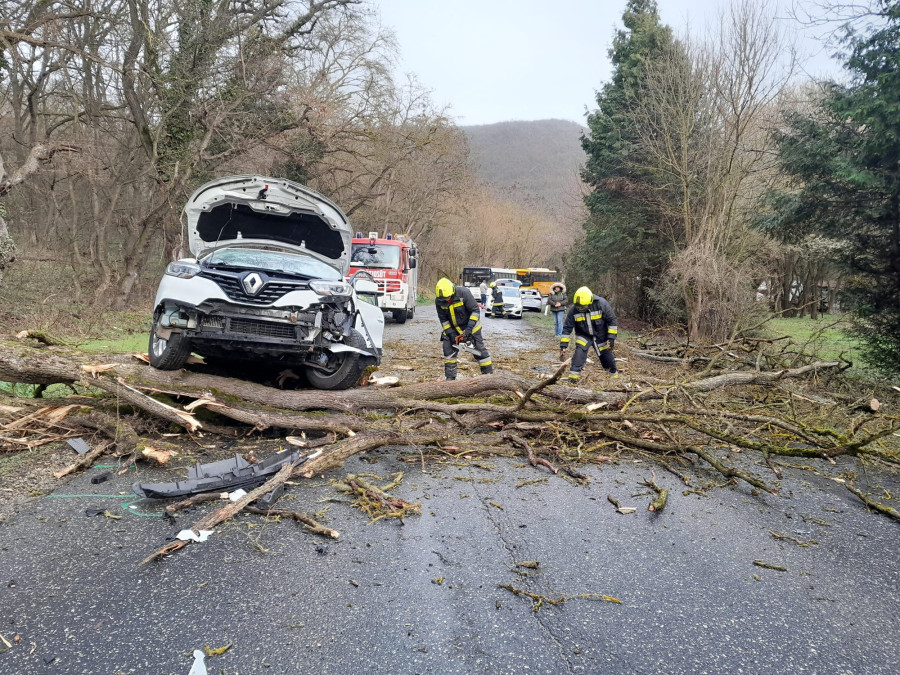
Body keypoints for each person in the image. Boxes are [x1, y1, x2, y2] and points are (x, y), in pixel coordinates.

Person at [435, 277, 493, 380]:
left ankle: (488, 376)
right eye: (444, 299)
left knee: (479, 350)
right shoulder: (439, 301)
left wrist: (469, 329)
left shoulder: (463, 293)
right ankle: (450, 378)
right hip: (453, 329)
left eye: (447, 298)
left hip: (471, 326)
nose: (446, 301)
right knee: (448, 351)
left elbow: (475, 311)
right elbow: (443, 320)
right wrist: (451, 334)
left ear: (452, 291)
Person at [559, 286, 618, 383]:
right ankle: (573, 378)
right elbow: (567, 327)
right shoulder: (574, 310)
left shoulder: (601, 304)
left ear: (590, 302)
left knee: (607, 357)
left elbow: (612, 321)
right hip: (583, 335)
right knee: (579, 354)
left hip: (601, 335)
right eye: (578, 306)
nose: (580, 308)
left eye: (583, 306)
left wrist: (611, 338)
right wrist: (563, 345)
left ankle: (614, 379)